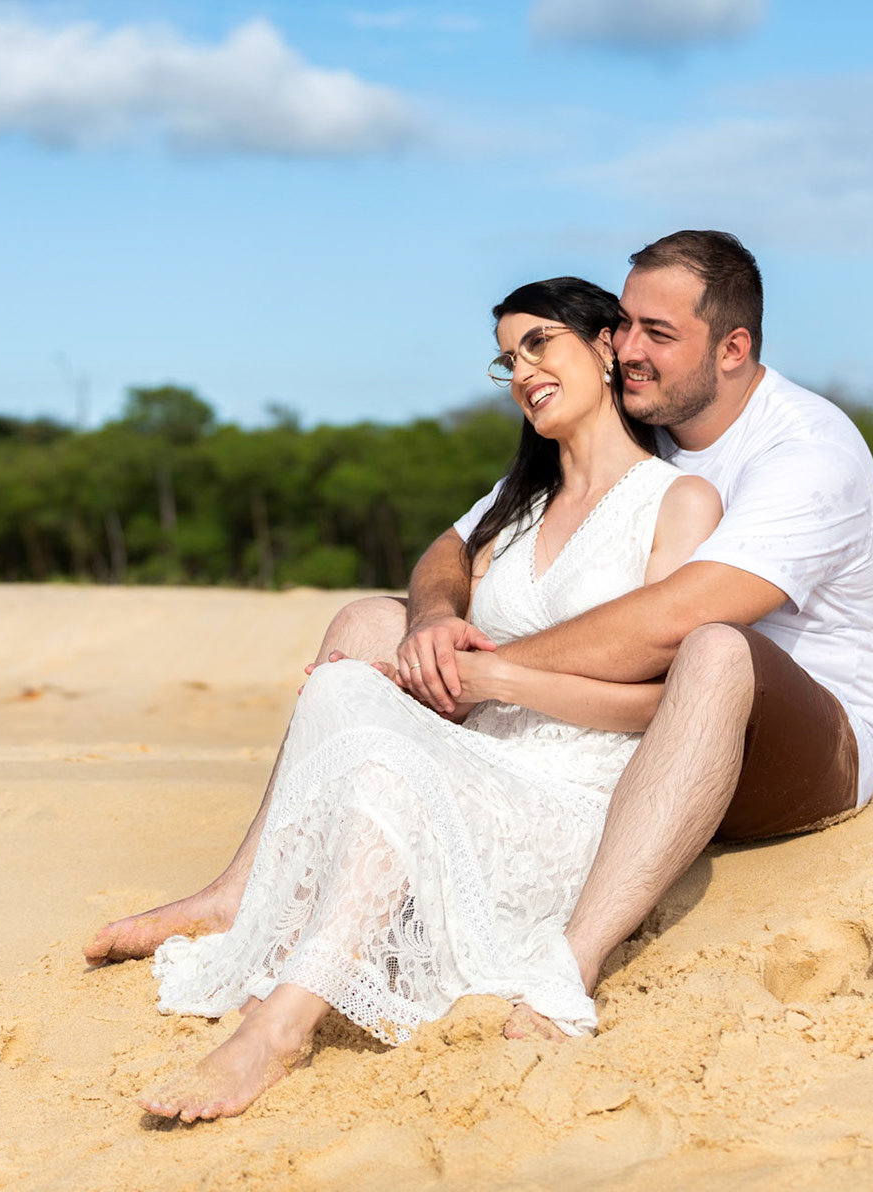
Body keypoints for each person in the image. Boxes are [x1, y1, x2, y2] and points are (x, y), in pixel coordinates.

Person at [90, 229, 873, 1100]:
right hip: (614, 735)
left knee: (715, 646)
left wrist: (483, 675)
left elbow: (680, 617)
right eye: (623, 326)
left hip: (795, 741)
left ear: (733, 348)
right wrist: (433, 629)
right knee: (367, 623)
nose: (629, 349)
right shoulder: (626, 430)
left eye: (657, 334)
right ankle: (243, 889)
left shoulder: (803, 451)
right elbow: (452, 550)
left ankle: (572, 963)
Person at [129, 276, 723, 1121]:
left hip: (574, 794)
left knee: (390, 769)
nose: (521, 372)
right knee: (344, 682)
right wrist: (418, 663)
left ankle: (279, 1029)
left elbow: (664, 706)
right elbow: (440, 602)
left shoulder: (679, 500)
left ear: (603, 346)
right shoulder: (516, 509)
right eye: (507, 358)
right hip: (484, 756)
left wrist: (502, 679)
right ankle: (280, 938)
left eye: (539, 344)